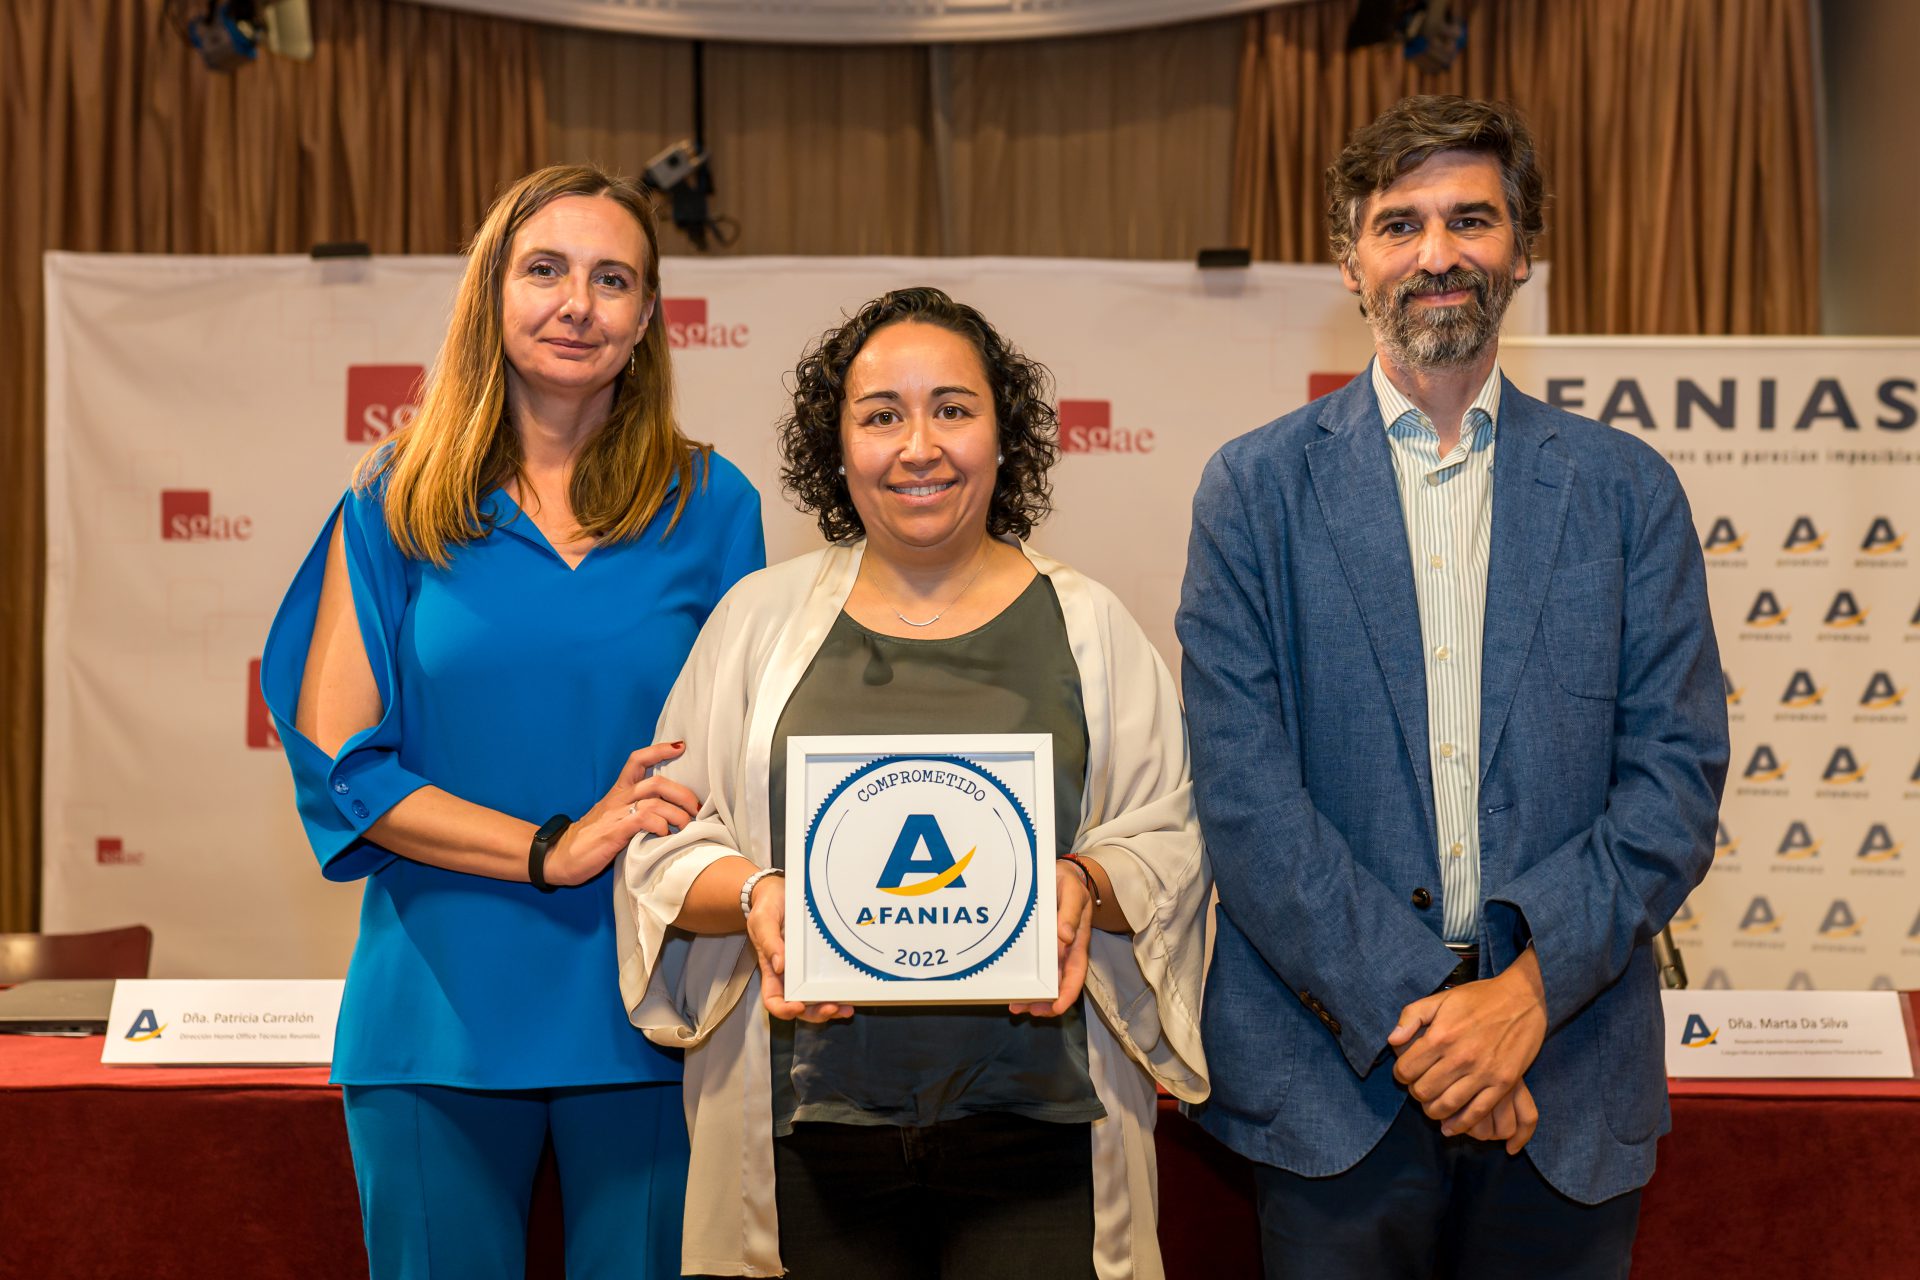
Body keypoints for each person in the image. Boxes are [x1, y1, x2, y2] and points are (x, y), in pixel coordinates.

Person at [1178, 96, 1729, 1279]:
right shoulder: (1252, 492)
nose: (1438, 253)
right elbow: (1245, 797)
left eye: (1472, 219)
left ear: (1522, 249)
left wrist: (1524, 997)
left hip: (1566, 1072)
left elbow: (1676, 783)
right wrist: (1445, 1020)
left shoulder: (1630, 493)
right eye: (1400, 224)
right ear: (1350, 260)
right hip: (1334, 1087)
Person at [613, 287, 1208, 1280]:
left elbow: (1172, 837)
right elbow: (666, 836)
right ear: (837, 446)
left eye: (953, 408)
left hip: (1043, 1130)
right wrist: (760, 898)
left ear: (1003, 434)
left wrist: (1085, 885)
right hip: (806, 1133)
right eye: (881, 413)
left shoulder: (1091, 627)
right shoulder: (754, 624)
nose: (918, 445)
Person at [260, 164, 764, 1279]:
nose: (577, 302)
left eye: (612, 278)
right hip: (434, 1011)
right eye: (545, 269)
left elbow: (743, 756)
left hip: (653, 1004)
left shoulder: (715, 503)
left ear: (646, 321)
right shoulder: (393, 497)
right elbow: (346, 763)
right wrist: (551, 845)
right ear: (492, 295)